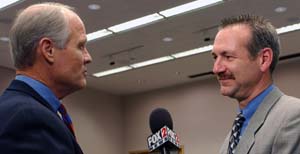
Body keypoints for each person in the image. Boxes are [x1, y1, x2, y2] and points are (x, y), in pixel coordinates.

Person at [0, 2, 92, 154]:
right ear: (48, 50)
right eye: (80, 46)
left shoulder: (16, 110)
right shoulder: (29, 120)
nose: (88, 57)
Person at [212, 14, 300, 154]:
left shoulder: (293, 117)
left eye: (228, 57)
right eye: (215, 57)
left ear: (264, 59)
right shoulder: (232, 137)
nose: (216, 69)